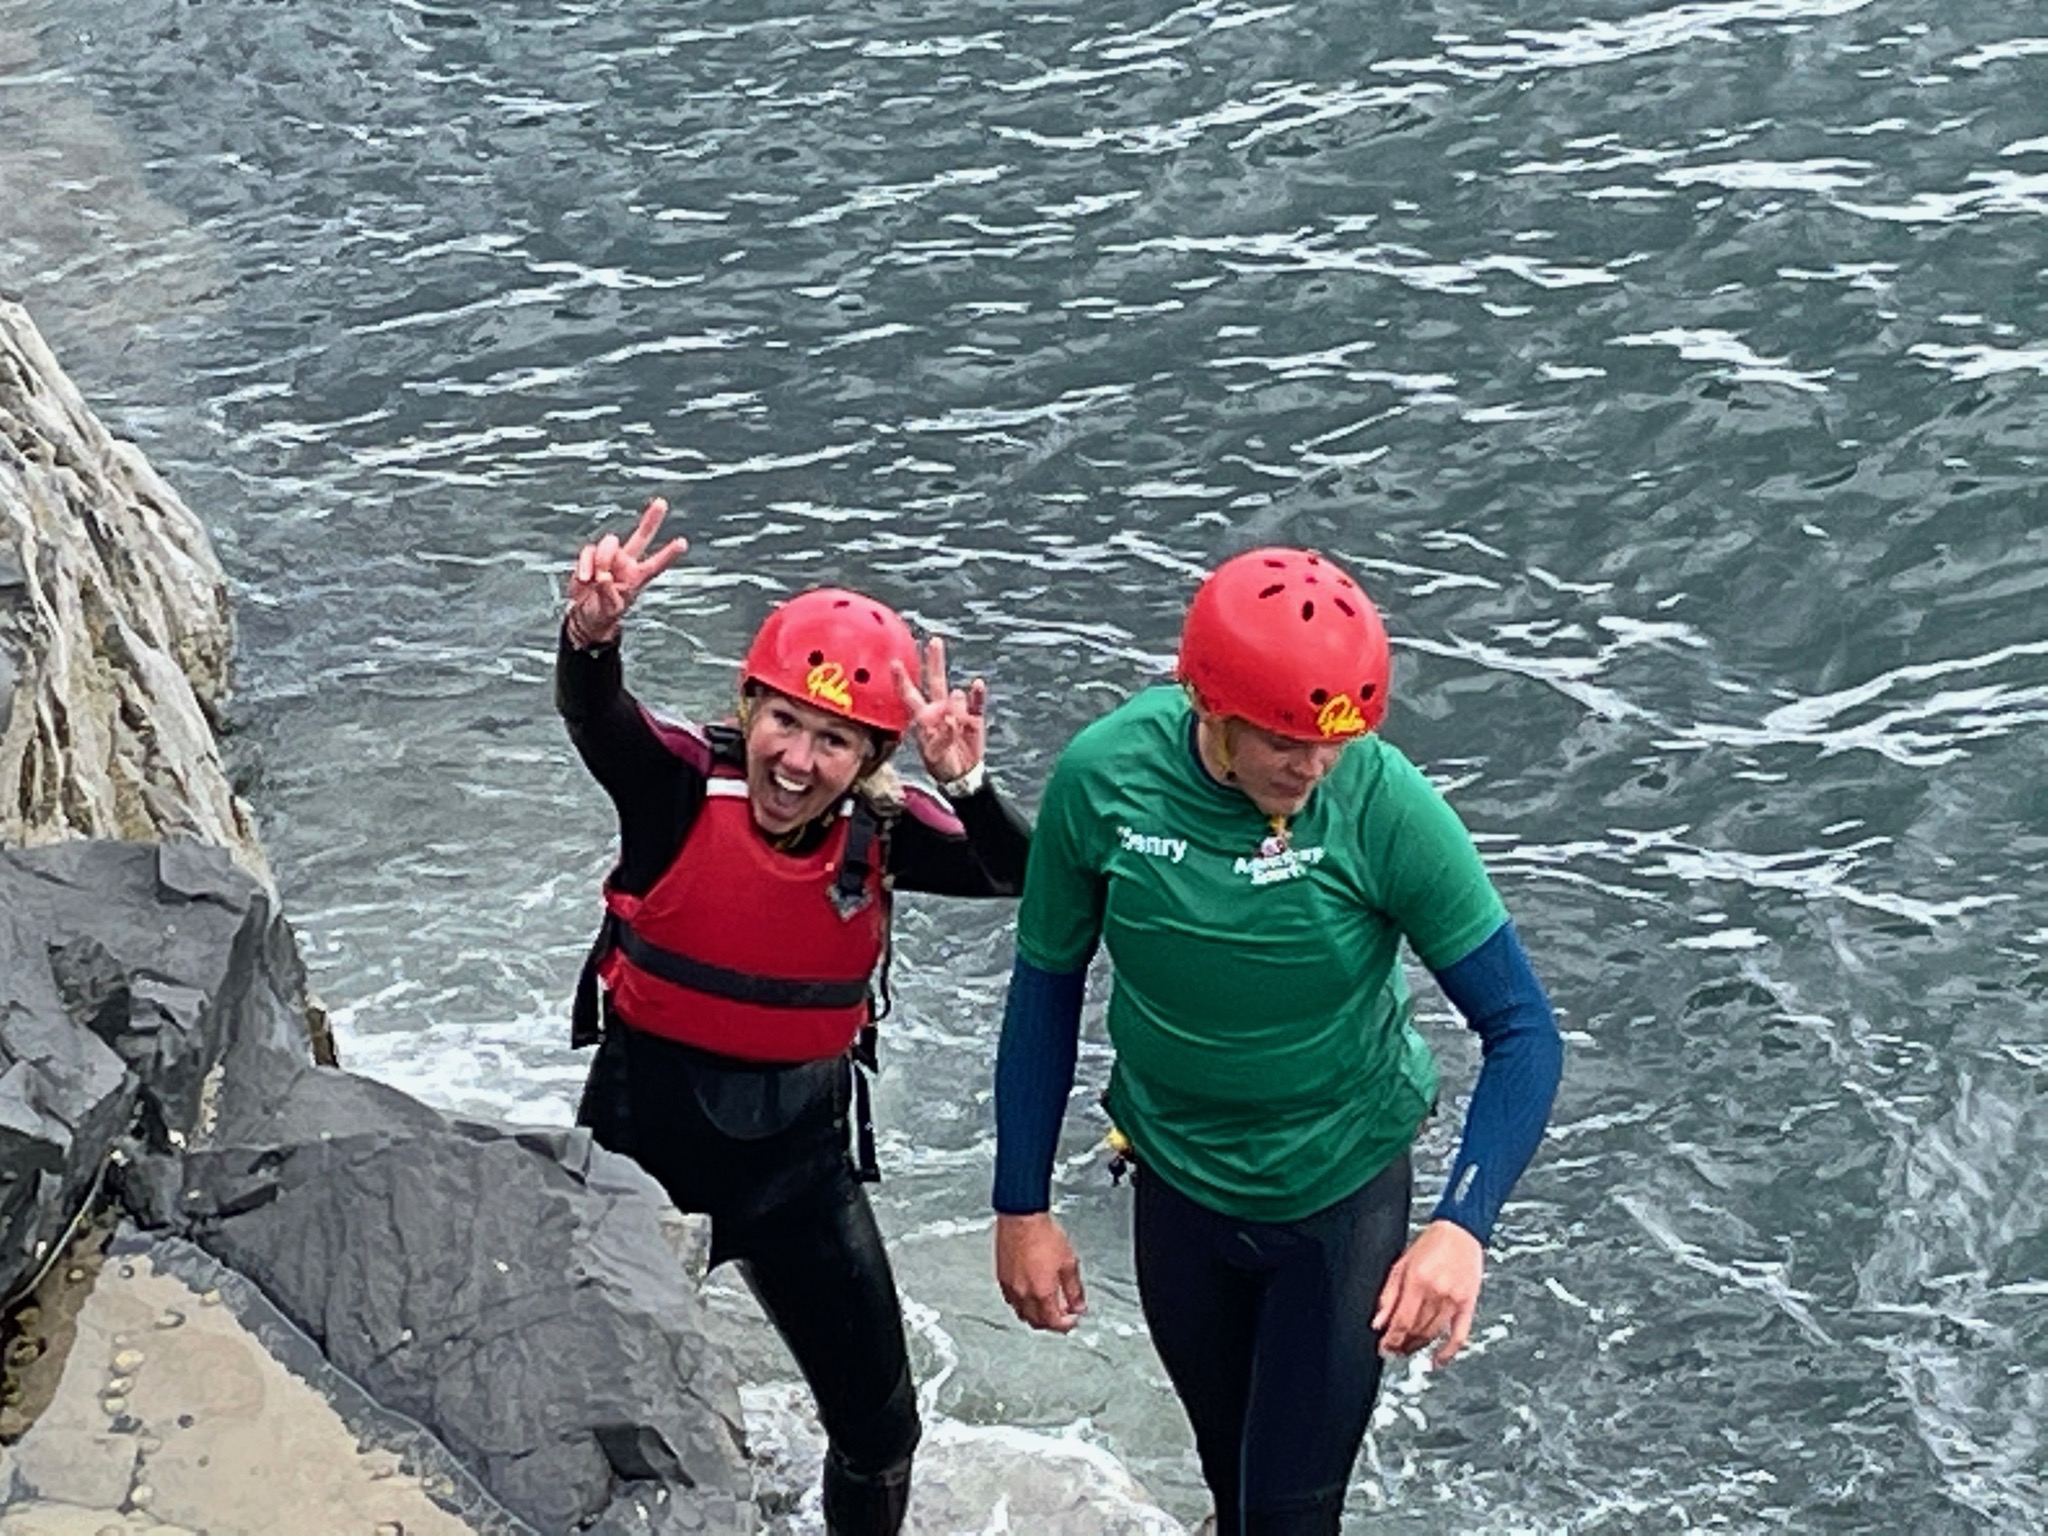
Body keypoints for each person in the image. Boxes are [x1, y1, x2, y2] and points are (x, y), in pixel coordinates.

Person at [989, 546, 1564, 1536]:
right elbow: (1044, 992)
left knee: (1291, 1512)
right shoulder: (1101, 783)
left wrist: (1462, 1225)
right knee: (1229, 1482)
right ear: (1204, 703)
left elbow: (1523, 1031)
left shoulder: (1383, 805)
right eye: (1286, 743)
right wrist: (1021, 1205)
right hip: (1179, 1187)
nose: (1316, 766)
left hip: (1334, 1201)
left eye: (1337, 738)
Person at [559, 498, 1030, 1535]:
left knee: (879, 1434)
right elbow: (601, 719)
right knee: (588, 1410)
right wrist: (591, 637)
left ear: (868, 759)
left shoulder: (888, 834)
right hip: (639, 1147)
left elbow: (1022, 873)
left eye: (832, 740)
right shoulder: (678, 787)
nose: (794, 760)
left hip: (796, 1170)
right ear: (747, 706)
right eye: (782, 720)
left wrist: (972, 783)